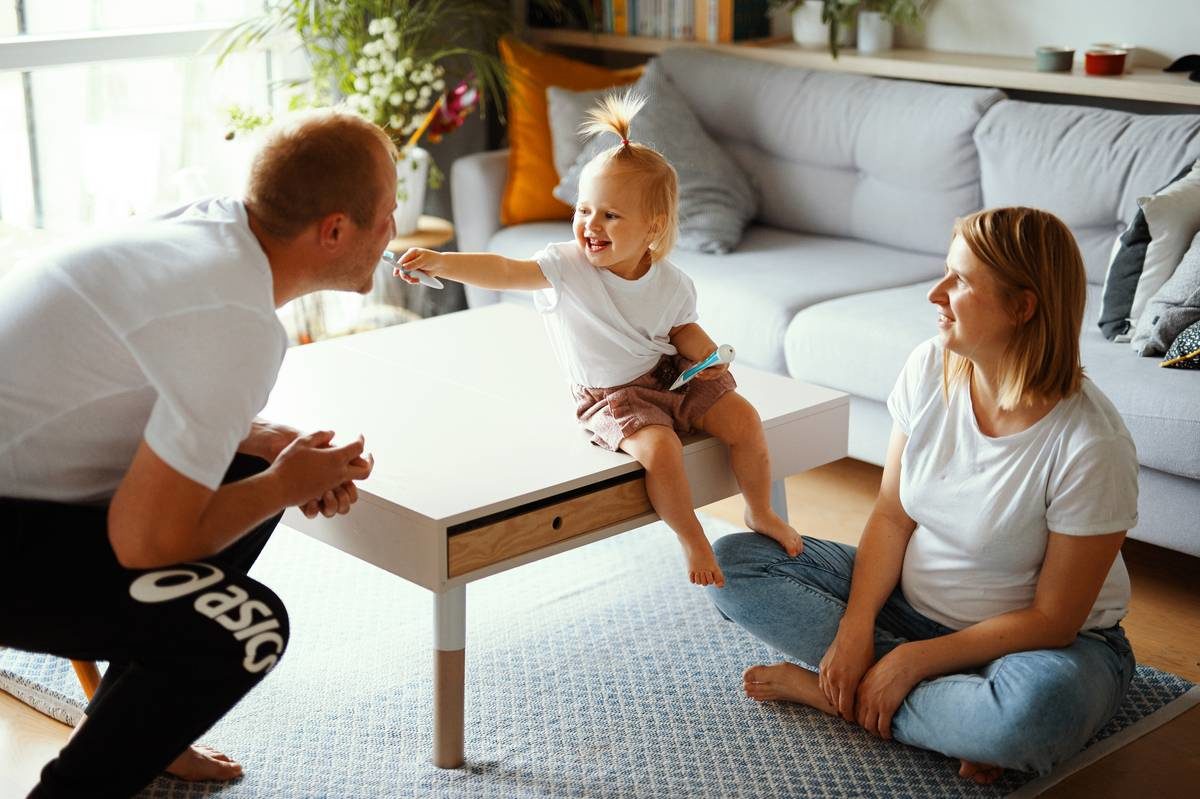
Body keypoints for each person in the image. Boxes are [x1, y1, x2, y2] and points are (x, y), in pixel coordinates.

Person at [0, 109, 398, 799]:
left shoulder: (209, 228)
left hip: (22, 494)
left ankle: (135, 720)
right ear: (335, 230)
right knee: (248, 629)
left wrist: (271, 449)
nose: (393, 231)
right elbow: (146, 541)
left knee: (246, 468)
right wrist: (283, 482)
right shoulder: (240, 324)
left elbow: (151, 380)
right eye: (387, 215)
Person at [709, 207, 1139, 783]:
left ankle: (840, 694)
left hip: (1036, 648)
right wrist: (857, 626)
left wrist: (915, 661)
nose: (936, 293)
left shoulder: (1091, 443)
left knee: (1031, 720)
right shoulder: (929, 366)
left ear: (1022, 307)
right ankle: (936, 710)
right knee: (732, 564)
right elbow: (892, 514)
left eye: (959, 280)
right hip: (906, 607)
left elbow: (1054, 620)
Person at [396, 92, 801, 588]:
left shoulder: (672, 281)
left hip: (667, 375)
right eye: (584, 210)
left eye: (610, 215)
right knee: (662, 449)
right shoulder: (565, 267)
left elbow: (682, 330)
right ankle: (691, 535)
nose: (590, 225)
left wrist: (708, 358)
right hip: (611, 395)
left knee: (744, 417)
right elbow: (502, 269)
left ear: (652, 228)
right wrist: (443, 262)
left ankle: (759, 510)